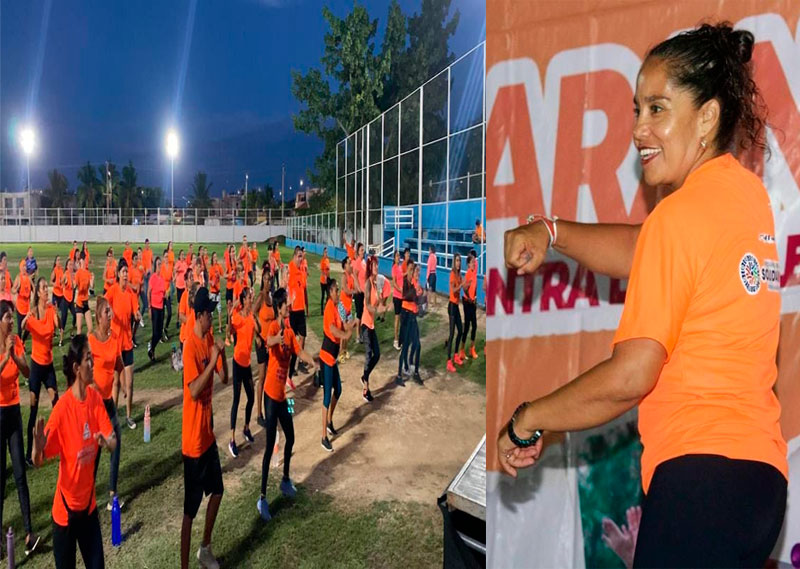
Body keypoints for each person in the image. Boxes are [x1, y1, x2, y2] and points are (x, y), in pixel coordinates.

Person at [498, 23, 787, 567]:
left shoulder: (680, 216)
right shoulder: (744, 198)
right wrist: (553, 232)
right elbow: (649, 250)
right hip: (759, 486)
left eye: (658, 108)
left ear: (707, 116)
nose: (638, 129)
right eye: (636, 109)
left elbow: (631, 375)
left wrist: (529, 416)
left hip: (698, 481)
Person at [32, 334, 116, 569]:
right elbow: (37, 460)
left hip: (88, 509)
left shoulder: (95, 400)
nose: (94, 363)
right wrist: (37, 448)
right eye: (89, 359)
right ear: (77, 368)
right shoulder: (62, 410)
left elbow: (113, 440)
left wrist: (107, 443)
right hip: (65, 516)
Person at [258, 288, 317, 522]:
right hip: (270, 395)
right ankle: (262, 497)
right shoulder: (274, 326)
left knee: (291, 437)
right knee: (270, 442)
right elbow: (267, 341)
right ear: (279, 307)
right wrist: (278, 338)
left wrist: (312, 361)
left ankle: (285, 480)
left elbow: (298, 351)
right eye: (286, 305)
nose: (288, 307)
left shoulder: (290, 332)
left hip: (283, 397)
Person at [180, 287, 228, 569]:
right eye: (209, 313)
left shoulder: (209, 338)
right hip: (193, 443)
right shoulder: (190, 348)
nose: (213, 316)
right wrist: (211, 360)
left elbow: (223, 379)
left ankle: (205, 548)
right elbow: (195, 390)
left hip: (207, 437)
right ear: (199, 316)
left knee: (218, 491)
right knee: (190, 511)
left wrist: (223, 355)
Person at [0, 300, 41, 557]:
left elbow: (27, 372)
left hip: (14, 412)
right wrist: (5, 358)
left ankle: (28, 533)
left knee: (19, 475)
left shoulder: (16, 341)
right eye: (7, 317)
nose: (12, 321)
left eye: (12, 317)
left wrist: (14, 355)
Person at [89, 297, 124, 510]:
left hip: (108, 402)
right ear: (98, 316)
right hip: (95, 405)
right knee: (95, 451)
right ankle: (88, 493)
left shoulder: (114, 338)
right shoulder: (91, 341)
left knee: (115, 442)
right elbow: (84, 369)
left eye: (110, 312)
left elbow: (118, 364)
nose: (110, 316)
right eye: (106, 313)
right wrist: (91, 386)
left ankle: (112, 493)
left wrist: (126, 384)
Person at [22, 277, 60, 466]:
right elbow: (24, 328)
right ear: (38, 292)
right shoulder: (34, 313)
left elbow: (57, 323)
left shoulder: (51, 309)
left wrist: (58, 316)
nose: (47, 290)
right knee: (33, 409)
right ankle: (29, 453)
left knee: (57, 405)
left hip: (49, 366)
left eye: (48, 288)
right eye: (44, 288)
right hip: (36, 366)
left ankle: (56, 441)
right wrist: (24, 323)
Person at [319, 279, 356, 451]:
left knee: (338, 390)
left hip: (332, 358)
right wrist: (345, 335)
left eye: (337, 290)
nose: (337, 293)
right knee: (327, 395)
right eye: (335, 291)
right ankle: (323, 437)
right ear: (329, 292)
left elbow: (344, 324)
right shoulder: (328, 308)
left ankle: (329, 421)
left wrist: (353, 325)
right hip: (326, 356)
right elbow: (333, 330)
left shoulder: (337, 307)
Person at [106, 260, 141, 430]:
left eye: (127, 271)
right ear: (118, 274)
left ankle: (128, 416)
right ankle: (113, 418)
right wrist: (108, 311)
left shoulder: (131, 293)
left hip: (127, 343)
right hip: (115, 344)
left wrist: (138, 314)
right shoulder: (112, 291)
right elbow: (102, 304)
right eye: (124, 271)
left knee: (130, 383)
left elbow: (135, 310)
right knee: (115, 383)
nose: (126, 274)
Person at [228, 287, 257, 458]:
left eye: (251, 297)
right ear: (244, 300)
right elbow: (230, 330)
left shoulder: (252, 317)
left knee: (251, 397)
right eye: (249, 297)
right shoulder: (237, 318)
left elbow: (256, 332)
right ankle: (231, 440)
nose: (251, 299)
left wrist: (261, 340)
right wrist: (232, 310)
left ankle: (246, 428)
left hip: (247, 364)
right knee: (237, 400)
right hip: (238, 363)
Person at [360, 257, 386, 401]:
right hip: (365, 323)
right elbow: (368, 306)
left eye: (377, 264)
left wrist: (383, 306)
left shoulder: (376, 284)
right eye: (374, 265)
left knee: (377, 355)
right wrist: (377, 309)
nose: (376, 267)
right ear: (370, 267)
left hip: (371, 324)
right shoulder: (368, 283)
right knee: (369, 354)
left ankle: (364, 376)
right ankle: (365, 389)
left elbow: (378, 303)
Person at [254, 267, 274, 428]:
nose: (268, 282)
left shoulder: (270, 297)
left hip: (270, 343)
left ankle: (268, 408)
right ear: (262, 280)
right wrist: (256, 336)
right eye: (266, 279)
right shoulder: (261, 296)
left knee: (268, 376)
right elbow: (251, 314)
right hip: (261, 342)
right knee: (261, 377)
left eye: (270, 279)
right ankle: (259, 413)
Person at [397, 260, 422, 386]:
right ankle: (399, 374)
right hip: (406, 314)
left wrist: (420, 294)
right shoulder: (407, 282)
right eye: (411, 269)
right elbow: (406, 296)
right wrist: (415, 291)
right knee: (406, 344)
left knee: (417, 344)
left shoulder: (414, 283)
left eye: (414, 269)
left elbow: (417, 299)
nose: (412, 272)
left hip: (412, 315)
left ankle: (413, 369)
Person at [287, 246, 308, 378]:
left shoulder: (302, 270)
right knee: (291, 340)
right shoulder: (289, 269)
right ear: (295, 256)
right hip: (292, 310)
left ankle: (298, 361)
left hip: (301, 309)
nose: (301, 259)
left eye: (302, 256)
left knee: (303, 336)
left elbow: (303, 289)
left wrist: (307, 305)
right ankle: (289, 366)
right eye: (299, 256)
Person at [446, 254, 465, 373]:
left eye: (459, 261)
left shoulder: (459, 275)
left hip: (456, 306)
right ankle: (449, 361)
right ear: (454, 262)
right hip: (452, 306)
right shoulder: (453, 274)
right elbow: (453, 290)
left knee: (461, 331)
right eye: (457, 260)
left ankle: (456, 355)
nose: (458, 263)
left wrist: (466, 285)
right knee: (452, 334)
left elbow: (463, 288)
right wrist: (462, 285)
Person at [461, 251, 479, 360]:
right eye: (472, 262)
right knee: (467, 326)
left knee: (475, 326)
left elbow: (474, 288)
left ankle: (472, 348)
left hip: (472, 302)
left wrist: (475, 297)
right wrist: (470, 298)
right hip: (467, 302)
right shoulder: (468, 273)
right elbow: (464, 288)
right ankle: (462, 350)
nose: (474, 263)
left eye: (474, 262)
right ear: (468, 264)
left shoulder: (474, 273)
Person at [147, 256, 166, 362]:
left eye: (160, 264)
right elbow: (149, 292)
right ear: (155, 266)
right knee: (155, 332)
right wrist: (149, 307)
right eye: (158, 264)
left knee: (159, 333)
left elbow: (162, 291)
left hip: (161, 307)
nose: (160, 266)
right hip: (154, 307)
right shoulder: (153, 277)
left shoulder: (162, 278)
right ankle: (152, 350)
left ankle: (151, 347)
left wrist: (164, 295)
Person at [338, 257, 355, 362]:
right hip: (343, 306)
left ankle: (344, 350)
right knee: (343, 331)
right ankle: (340, 353)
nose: (351, 265)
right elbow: (346, 290)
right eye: (349, 263)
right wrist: (355, 291)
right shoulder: (344, 276)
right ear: (345, 266)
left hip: (349, 306)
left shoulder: (351, 276)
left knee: (349, 331)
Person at [11, 264, 32, 342]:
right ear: (20, 268)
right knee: (20, 328)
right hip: (20, 307)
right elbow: (12, 290)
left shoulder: (28, 277)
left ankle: (22, 341)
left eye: (25, 266)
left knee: (28, 327)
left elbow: (33, 288)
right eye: (23, 266)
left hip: (27, 307)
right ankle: (19, 344)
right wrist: (16, 290)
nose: (24, 268)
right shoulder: (18, 278)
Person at [74, 255, 94, 335]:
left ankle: (86, 343)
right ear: (81, 261)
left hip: (86, 303)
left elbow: (92, 286)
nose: (85, 262)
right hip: (79, 303)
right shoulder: (78, 273)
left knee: (90, 328)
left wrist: (92, 279)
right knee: (79, 330)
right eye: (84, 260)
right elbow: (75, 286)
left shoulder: (88, 273)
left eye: (86, 260)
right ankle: (79, 346)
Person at [58, 258, 76, 345]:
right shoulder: (65, 274)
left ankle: (72, 332)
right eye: (69, 265)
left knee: (75, 315)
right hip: (65, 299)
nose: (71, 266)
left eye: (72, 265)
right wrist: (64, 283)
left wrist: (74, 283)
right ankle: (61, 339)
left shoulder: (74, 275)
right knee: (64, 318)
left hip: (71, 299)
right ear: (67, 266)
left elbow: (75, 286)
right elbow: (61, 282)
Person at [207, 252, 224, 334]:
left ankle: (220, 327)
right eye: (214, 257)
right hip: (213, 292)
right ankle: (211, 328)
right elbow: (209, 280)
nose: (216, 259)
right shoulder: (211, 269)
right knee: (212, 312)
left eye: (216, 257)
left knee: (219, 310)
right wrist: (212, 283)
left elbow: (222, 275)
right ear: (212, 259)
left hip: (218, 291)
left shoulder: (219, 266)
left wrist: (219, 276)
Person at [351, 243, 366, 331]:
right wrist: (358, 288)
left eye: (363, 250)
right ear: (358, 252)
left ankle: (361, 332)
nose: (363, 252)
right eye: (361, 250)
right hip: (359, 292)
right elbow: (355, 275)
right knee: (359, 314)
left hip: (364, 292)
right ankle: (357, 335)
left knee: (362, 313)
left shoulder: (363, 262)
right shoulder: (357, 262)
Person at [161, 247, 174, 341]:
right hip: (161, 293)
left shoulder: (170, 266)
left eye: (167, 257)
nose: (166, 258)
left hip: (168, 292)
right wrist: (163, 292)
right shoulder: (161, 267)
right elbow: (160, 281)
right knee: (162, 314)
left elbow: (171, 279)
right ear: (163, 257)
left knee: (169, 313)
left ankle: (165, 328)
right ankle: (161, 333)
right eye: (165, 257)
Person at [391, 250, 404, 350]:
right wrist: (400, 290)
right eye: (397, 256)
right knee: (397, 318)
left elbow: (401, 277)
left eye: (399, 256)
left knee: (401, 318)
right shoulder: (394, 268)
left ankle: (401, 339)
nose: (398, 257)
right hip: (397, 296)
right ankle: (396, 340)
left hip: (402, 296)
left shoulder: (400, 267)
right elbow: (394, 283)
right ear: (394, 258)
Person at [319, 247, 331, 315]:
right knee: (323, 296)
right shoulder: (322, 261)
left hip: (328, 280)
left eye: (327, 252)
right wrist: (325, 277)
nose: (326, 253)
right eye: (325, 252)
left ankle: (326, 308)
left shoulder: (327, 260)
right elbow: (322, 271)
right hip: (323, 281)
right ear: (323, 253)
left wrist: (329, 277)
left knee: (328, 295)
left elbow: (328, 270)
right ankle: (321, 310)